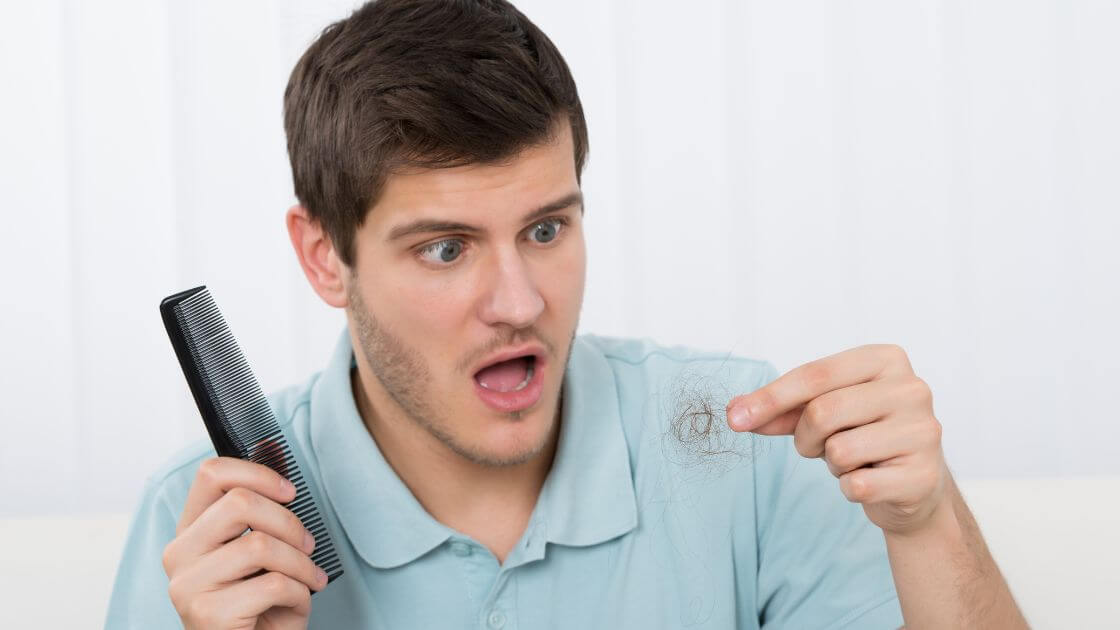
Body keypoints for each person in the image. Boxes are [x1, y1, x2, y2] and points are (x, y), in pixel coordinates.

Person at [106, 0, 1029, 628]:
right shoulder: (205, 528)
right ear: (325, 259)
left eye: (546, 228)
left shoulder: (753, 452)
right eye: (445, 248)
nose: (521, 302)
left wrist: (927, 524)